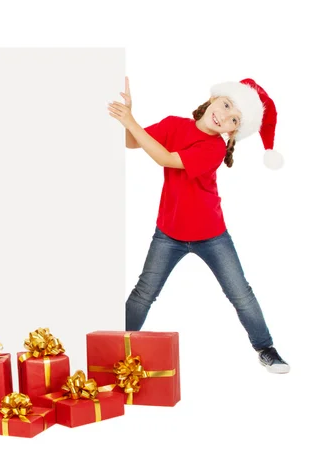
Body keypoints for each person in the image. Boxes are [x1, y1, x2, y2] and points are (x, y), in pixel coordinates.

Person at [108, 76, 289, 374]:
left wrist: (132, 121)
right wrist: (129, 117)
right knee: (144, 292)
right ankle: (115, 345)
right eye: (226, 104)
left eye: (234, 119)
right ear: (213, 98)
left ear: (232, 132)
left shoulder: (214, 149)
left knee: (240, 293)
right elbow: (132, 143)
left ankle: (266, 348)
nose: (224, 115)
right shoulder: (173, 124)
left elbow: (164, 158)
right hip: (169, 232)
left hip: (211, 236)